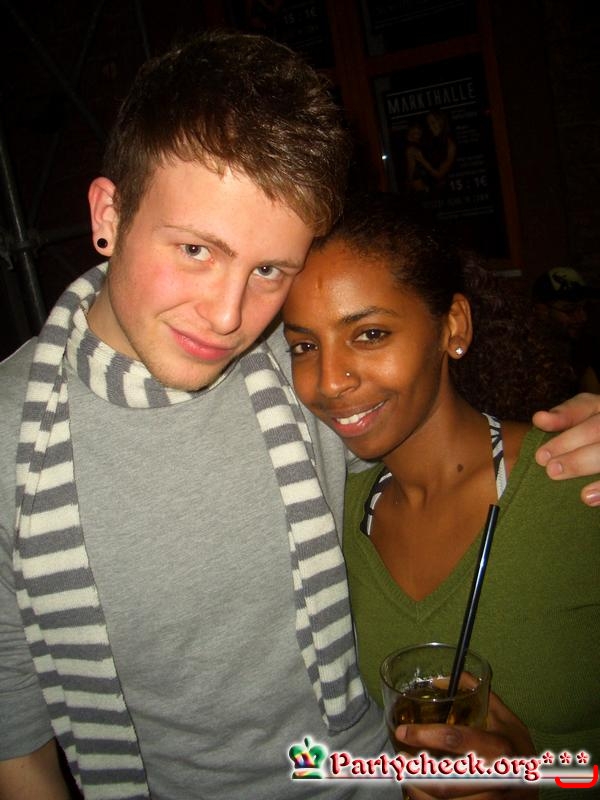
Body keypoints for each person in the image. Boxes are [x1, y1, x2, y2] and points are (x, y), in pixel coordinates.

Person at [1, 30, 599, 800]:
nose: (227, 316)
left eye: (269, 269)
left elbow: (436, 408)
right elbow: (17, 747)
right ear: (108, 212)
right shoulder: (12, 438)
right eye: (195, 250)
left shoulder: (304, 368)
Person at [282, 194, 600, 799]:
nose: (328, 381)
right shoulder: (333, 522)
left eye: (370, 334)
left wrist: (538, 779)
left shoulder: (576, 487)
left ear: (452, 327)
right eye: (304, 345)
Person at [532, 266, 600, 395]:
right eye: (570, 310)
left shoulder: (590, 346)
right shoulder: (527, 356)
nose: (582, 317)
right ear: (542, 311)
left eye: (584, 308)